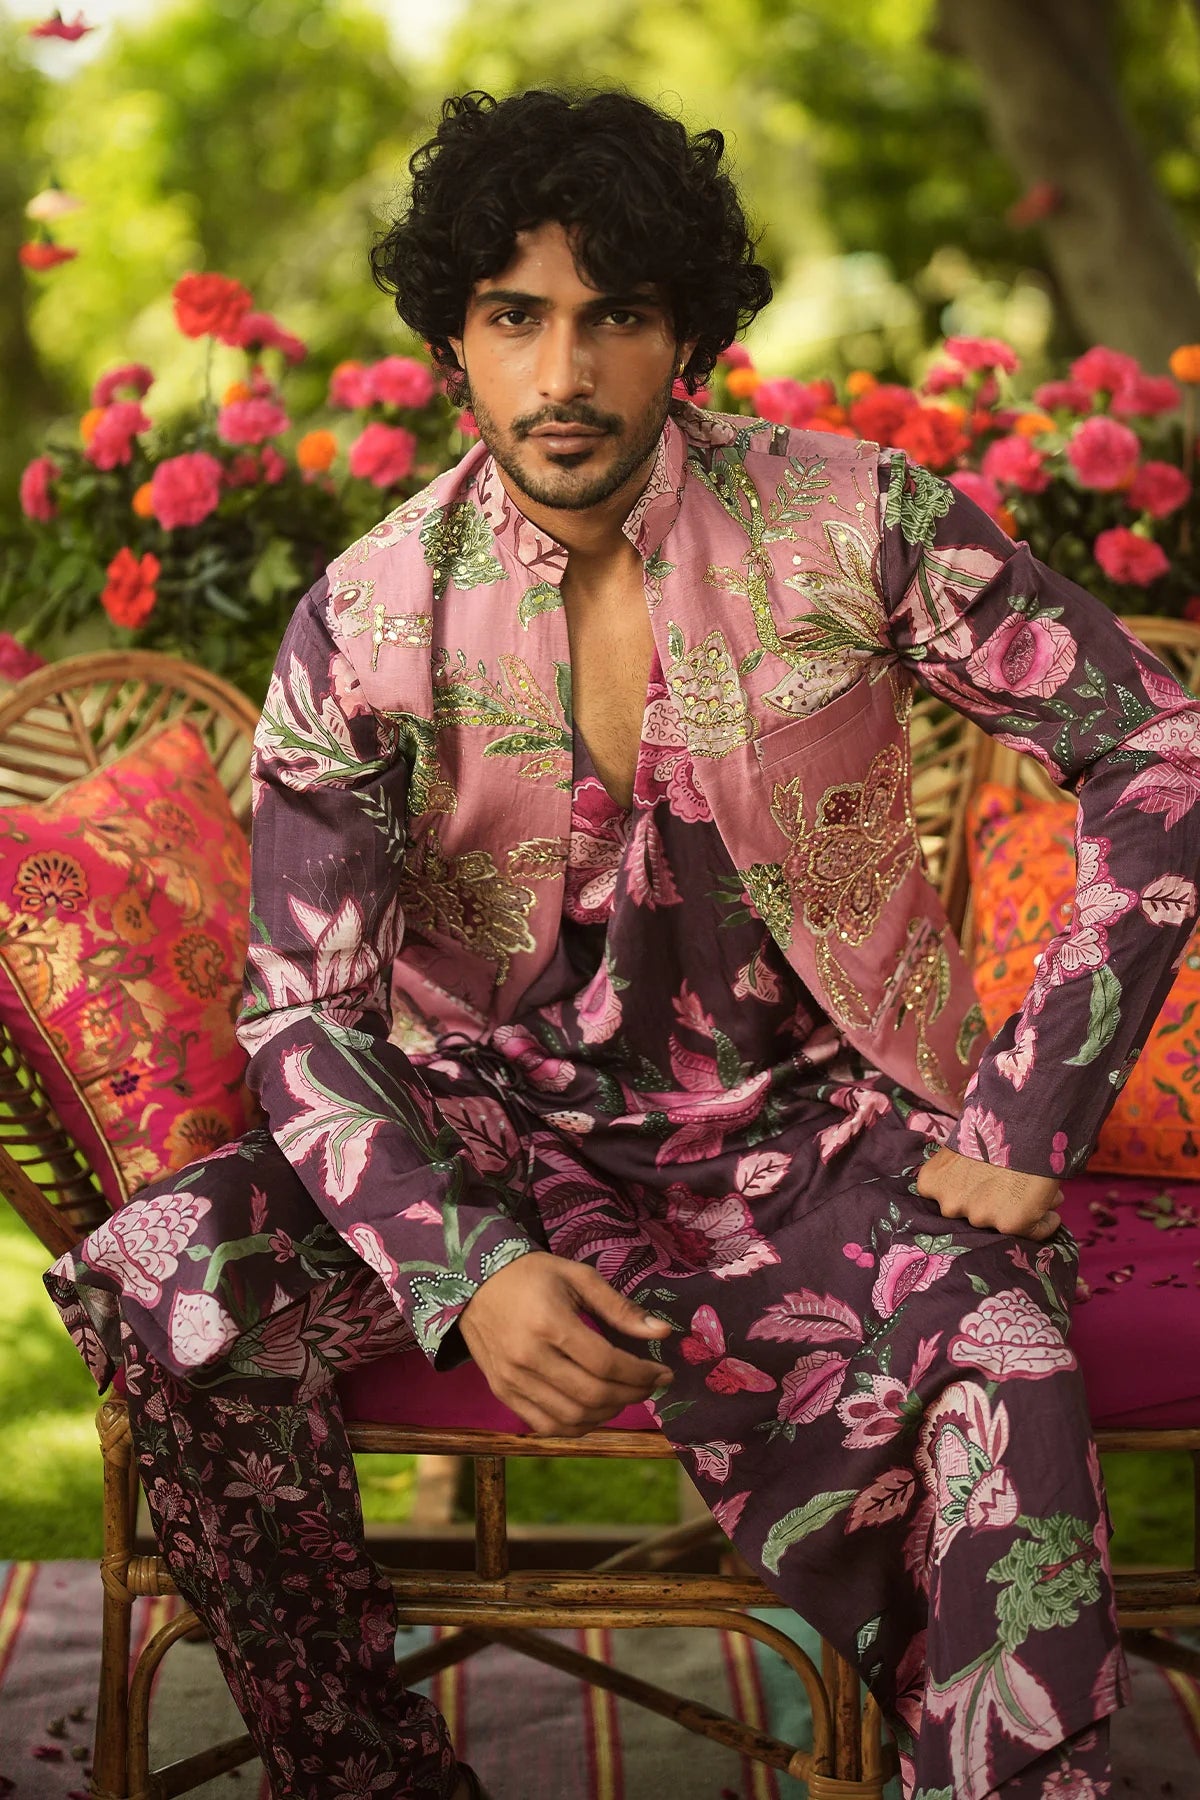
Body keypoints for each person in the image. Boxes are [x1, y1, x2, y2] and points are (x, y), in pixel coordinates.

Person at [44, 87, 1200, 1800]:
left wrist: (1030, 1116)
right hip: (495, 1138)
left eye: (617, 316)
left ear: (688, 337)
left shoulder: (860, 520)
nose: (564, 373)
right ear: (453, 338)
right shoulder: (365, 620)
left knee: (1007, 1363)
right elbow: (303, 1012)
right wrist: (464, 1264)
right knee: (162, 1275)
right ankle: (359, 1770)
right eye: (516, 316)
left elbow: (1159, 747)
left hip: (832, 1139)